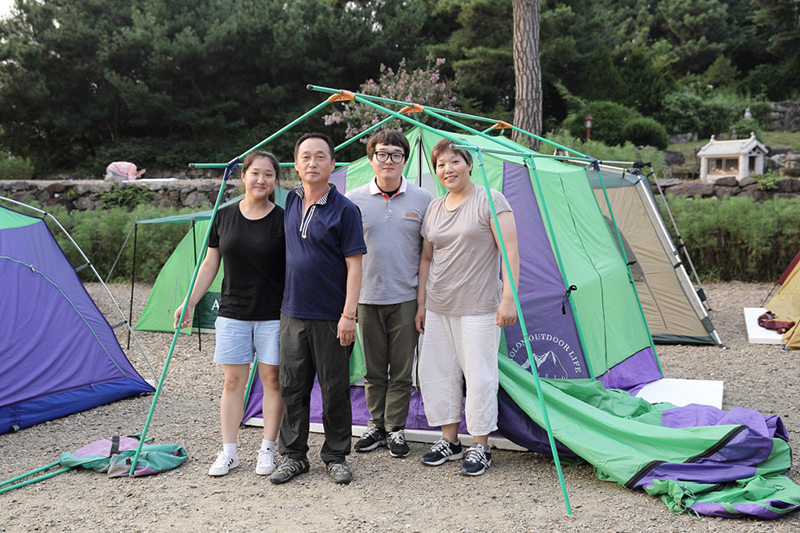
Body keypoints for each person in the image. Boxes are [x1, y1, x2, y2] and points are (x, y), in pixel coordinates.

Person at [173, 150, 285, 477]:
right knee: (232, 381)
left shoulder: (283, 219)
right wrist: (189, 301)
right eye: (255, 173)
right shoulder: (223, 216)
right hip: (233, 312)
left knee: (272, 381)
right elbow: (210, 264)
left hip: (273, 314)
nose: (261, 180)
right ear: (244, 176)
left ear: (275, 181)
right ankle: (229, 451)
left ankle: (267, 449)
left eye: (268, 174)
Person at [414, 138, 520, 476]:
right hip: (438, 305)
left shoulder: (491, 199)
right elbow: (427, 258)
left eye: (454, 161)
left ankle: (480, 445)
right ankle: (450, 440)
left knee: (479, 376)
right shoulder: (434, 207)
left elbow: (510, 253)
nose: (448, 169)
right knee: (437, 373)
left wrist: (509, 299)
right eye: (441, 164)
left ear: (469, 164)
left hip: (479, 305)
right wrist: (421, 303)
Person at [269, 133, 366, 485]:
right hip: (291, 314)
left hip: (331, 317)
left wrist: (349, 315)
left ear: (333, 164)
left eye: (320, 156)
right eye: (306, 156)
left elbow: (355, 266)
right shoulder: (290, 201)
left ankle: (336, 455)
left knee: (334, 388)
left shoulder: (345, 210)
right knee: (291, 387)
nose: (313, 162)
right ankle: (294, 456)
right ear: (296, 164)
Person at [346, 130, 433, 458]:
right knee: (373, 369)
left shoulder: (423, 199)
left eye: (396, 155)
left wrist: (422, 301)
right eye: (382, 154)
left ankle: (395, 428)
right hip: (366, 298)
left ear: (404, 160)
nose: (389, 161)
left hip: (406, 297)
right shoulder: (353, 199)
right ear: (371, 159)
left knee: (401, 369)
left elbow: (428, 254)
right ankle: (376, 425)